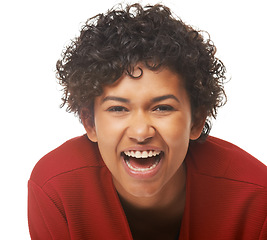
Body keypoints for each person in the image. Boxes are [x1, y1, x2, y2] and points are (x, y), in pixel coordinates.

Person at [28, 3, 267, 240]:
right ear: (89, 122)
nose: (141, 132)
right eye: (118, 108)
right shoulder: (55, 189)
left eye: (162, 108)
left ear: (196, 120)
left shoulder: (258, 198)